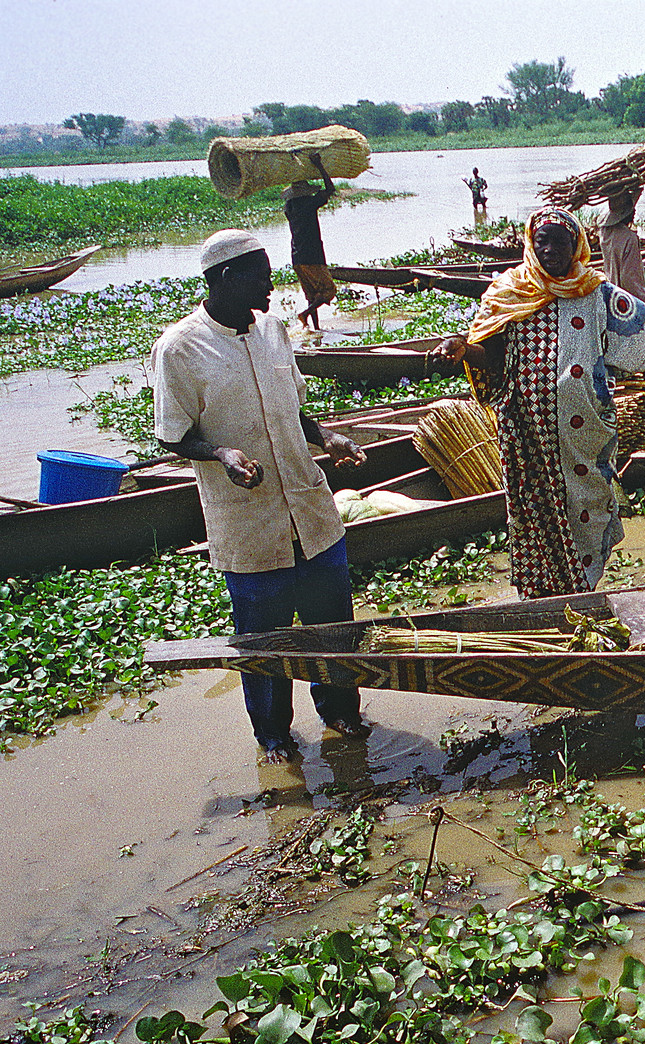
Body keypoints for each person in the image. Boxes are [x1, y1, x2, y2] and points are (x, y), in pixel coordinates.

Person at [152, 229, 370, 762]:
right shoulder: (179, 347)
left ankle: (339, 708)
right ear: (226, 278)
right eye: (261, 273)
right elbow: (172, 434)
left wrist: (327, 437)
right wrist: (222, 455)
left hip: (309, 507)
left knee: (333, 623)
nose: (272, 283)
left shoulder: (274, 329)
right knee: (264, 638)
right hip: (247, 520)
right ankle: (273, 734)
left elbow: (291, 407)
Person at [427, 208, 645, 598]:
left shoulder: (594, 292)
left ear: (576, 246)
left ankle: (582, 586)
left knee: (586, 503)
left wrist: (612, 367)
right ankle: (543, 593)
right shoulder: (508, 293)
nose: (551, 250)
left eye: (561, 242)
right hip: (526, 430)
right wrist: (461, 349)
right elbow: (490, 356)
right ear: (530, 245)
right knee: (532, 506)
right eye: (543, 242)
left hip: (584, 430)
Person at [282, 154, 336, 331]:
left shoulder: (289, 207)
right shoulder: (308, 203)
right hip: (312, 254)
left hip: (297, 256)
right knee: (328, 291)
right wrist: (319, 166)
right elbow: (330, 189)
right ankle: (305, 315)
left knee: (311, 295)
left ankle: (315, 328)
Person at [599, 184, 645, 301]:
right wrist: (644, 301)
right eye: (632, 210)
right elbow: (630, 277)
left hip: (610, 291)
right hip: (626, 298)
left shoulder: (604, 233)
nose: (635, 212)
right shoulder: (629, 238)